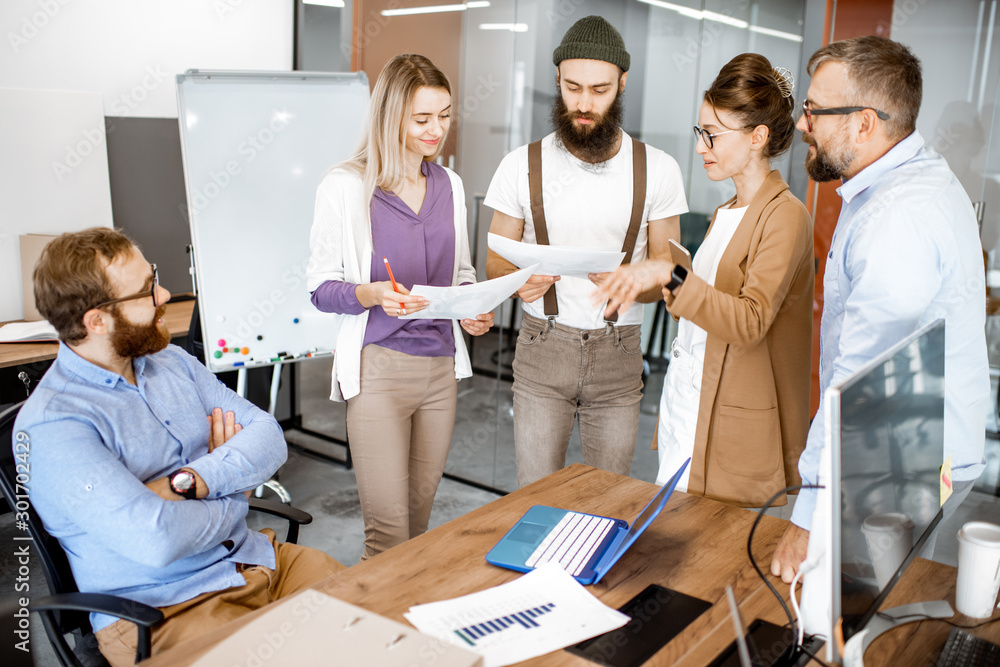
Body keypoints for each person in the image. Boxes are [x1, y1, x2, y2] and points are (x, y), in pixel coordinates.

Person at [14, 228, 345, 667]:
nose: (164, 294)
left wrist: (191, 481)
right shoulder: (54, 425)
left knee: (382, 616)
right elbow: (156, 539)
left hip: (251, 560)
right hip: (162, 610)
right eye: (147, 290)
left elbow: (268, 436)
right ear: (97, 321)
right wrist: (235, 490)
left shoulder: (171, 362)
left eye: (154, 277)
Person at [770, 36, 989, 582]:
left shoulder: (899, 217)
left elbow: (856, 380)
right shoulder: (903, 183)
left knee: (851, 603)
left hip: (905, 462)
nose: (801, 124)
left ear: (864, 123)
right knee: (863, 600)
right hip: (911, 446)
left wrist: (806, 516)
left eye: (815, 111)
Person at [593, 54, 814, 507]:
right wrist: (649, 279)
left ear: (758, 137)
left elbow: (750, 321)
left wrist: (670, 274)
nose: (700, 147)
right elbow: (703, 301)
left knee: (704, 558)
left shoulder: (786, 216)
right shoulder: (728, 211)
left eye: (712, 135)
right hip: (688, 405)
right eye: (700, 133)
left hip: (728, 423)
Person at [485, 15, 688, 488]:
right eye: (573, 87)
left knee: (608, 501)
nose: (584, 103)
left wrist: (637, 286)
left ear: (622, 83)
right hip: (541, 347)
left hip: (619, 356)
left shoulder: (657, 169)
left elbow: (672, 273)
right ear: (557, 80)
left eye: (599, 89)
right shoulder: (521, 165)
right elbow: (495, 261)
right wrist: (519, 282)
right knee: (534, 500)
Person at [306, 54, 493, 559]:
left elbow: (461, 275)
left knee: (417, 530)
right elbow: (320, 288)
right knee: (387, 538)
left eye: (445, 116)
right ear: (391, 117)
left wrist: (473, 309)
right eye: (423, 119)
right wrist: (368, 293)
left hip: (438, 372)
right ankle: (368, 636)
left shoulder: (449, 187)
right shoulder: (345, 187)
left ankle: (404, 631)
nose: (438, 131)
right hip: (379, 372)